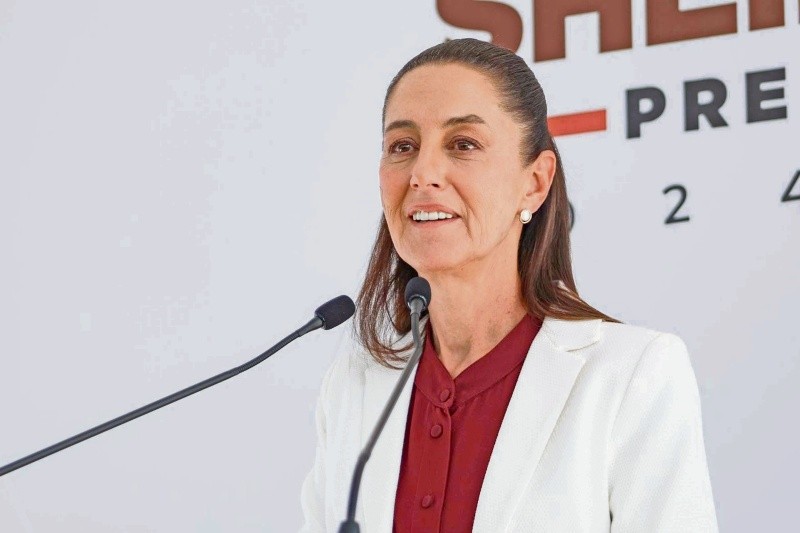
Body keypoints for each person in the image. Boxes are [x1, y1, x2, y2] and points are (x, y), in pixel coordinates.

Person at [300, 38, 718, 532]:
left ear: (535, 182)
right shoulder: (352, 386)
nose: (422, 174)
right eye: (402, 147)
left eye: (463, 144)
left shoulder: (633, 375)